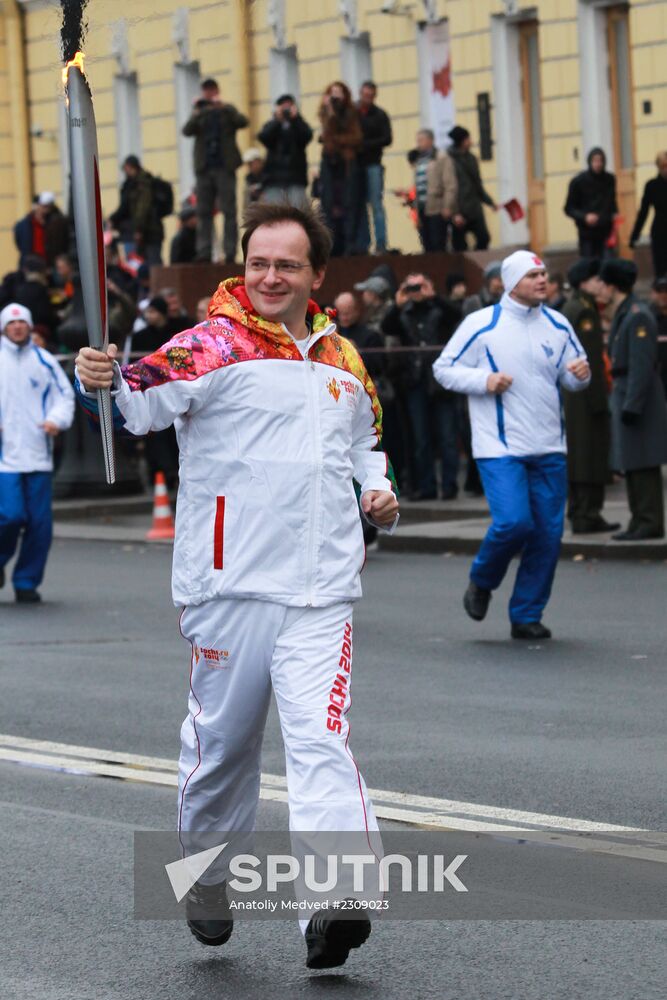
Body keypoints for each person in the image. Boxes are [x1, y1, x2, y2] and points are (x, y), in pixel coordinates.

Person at [74, 200, 398, 969]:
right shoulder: (208, 343)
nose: (270, 276)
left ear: (316, 275)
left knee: (322, 741)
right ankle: (208, 880)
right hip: (228, 588)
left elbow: (367, 445)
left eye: (287, 265)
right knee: (222, 753)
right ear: (243, 266)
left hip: (320, 592)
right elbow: (135, 405)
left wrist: (378, 491)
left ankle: (336, 899)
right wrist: (103, 378)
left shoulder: (341, 358)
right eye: (259, 262)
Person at [433, 250, 591, 640]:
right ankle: (482, 581)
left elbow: (574, 376)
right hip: (500, 445)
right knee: (514, 522)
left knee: (547, 536)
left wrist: (580, 375)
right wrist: (483, 381)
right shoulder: (481, 324)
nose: (542, 280)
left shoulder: (557, 323)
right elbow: (444, 368)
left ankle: (526, 614)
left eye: (544, 274)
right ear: (510, 282)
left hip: (549, 444)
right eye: (533, 275)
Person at [0, 304, 74, 602]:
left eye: (22, 323)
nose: (17, 328)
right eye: (12, 323)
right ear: (4, 328)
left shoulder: (44, 360)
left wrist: (56, 420)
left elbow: (64, 395)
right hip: (4, 459)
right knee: (9, 515)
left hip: (38, 454)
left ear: (29, 326)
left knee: (40, 524)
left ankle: (26, 581)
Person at [597, 259, 667, 540]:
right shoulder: (627, 312)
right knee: (633, 461)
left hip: (638, 399)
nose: (600, 288)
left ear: (613, 286)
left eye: (604, 283)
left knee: (643, 460)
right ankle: (640, 519)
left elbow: (641, 365)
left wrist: (632, 405)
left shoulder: (637, 315)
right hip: (627, 395)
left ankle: (649, 521)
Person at [382, 273, 462, 499]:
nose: (416, 291)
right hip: (415, 382)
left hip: (440, 381)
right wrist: (397, 306)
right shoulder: (403, 312)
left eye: (420, 286)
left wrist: (434, 296)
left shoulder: (439, 307)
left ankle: (449, 486)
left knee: (447, 436)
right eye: (411, 287)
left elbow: (456, 314)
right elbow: (387, 327)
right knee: (421, 438)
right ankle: (426, 486)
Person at [561, 258, 618, 534]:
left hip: (575, 395)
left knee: (581, 453)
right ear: (585, 282)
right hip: (585, 395)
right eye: (596, 279)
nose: (600, 283)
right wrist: (599, 399)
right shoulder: (584, 311)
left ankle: (581, 512)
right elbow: (590, 359)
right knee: (588, 454)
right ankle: (587, 513)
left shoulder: (575, 306)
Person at [182, 78, 249, 263]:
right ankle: (204, 251)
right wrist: (197, 112)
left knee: (229, 210)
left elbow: (243, 122)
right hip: (204, 169)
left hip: (224, 168)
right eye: (206, 90)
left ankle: (229, 252)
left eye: (212, 90)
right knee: (203, 211)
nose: (209, 94)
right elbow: (187, 131)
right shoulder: (200, 112)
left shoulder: (226, 111)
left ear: (217, 91)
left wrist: (224, 107)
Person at [318, 81, 364, 257]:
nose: (336, 98)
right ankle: (332, 245)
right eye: (332, 94)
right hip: (329, 164)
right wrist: (329, 112)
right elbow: (327, 136)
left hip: (346, 164)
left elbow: (355, 137)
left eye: (339, 94)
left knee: (349, 204)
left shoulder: (351, 113)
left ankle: (349, 244)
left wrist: (335, 139)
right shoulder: (325, 113)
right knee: (328, 204)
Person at [405, 130, 457, 252]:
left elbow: (450, 184)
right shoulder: (419, 160)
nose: (418, 144)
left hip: (437, 207)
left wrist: (448, 206)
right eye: (417, 141)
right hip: (422, 207)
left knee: (438, 243)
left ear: (430, 141)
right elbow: (418, 184)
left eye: (421, 140)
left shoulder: (441, 158)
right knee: (426, 243)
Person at [356, 81, 392, 254]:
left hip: (373, 164)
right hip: (356, 165)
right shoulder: (353, 113)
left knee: (376, 203)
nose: (367, 98)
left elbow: (387, 138)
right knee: (360, 204)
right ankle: (364, 242)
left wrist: (365, 144)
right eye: (365, 95)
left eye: (370, 95)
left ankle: (381, 242)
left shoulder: (380, 115)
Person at [447, 126, 497, 251]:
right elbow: (448, 188)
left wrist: (489, 202)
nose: (470, 141)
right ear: (461, 141)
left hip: (474, 207)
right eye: (467, 139)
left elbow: (477, 184)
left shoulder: (472, 158)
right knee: (459, 245)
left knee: (484, 238)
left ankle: (476, 264)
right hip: (459, 208)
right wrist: (454, 213)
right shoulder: (448, 161)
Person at [257, 94, 312, 207]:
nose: (286, 110)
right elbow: (263, 137)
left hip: (296, 178)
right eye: (283, 107)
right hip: (273, 179)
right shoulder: (272, 124)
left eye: (289, 106)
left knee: (298, 215)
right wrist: (278, 120)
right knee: (274, 216)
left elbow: (307, 136)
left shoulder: (299, 124)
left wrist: (296, 119)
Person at [109, 155, 165, 266]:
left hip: (147, 231)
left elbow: (142, 208)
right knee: (143, 263)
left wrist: (138, 229)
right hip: (146, 231)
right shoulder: (135, 183)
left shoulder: (142, 183)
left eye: (126, 168)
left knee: (149, 264)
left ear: (131, 167)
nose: (125, 172)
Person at [564, 148, 618, 258]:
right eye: (595, 161)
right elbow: (569, 208)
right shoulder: (578, 182)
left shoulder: (609, 180)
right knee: (589, 266)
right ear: (590, 162)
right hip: (586, 233)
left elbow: (611, 204)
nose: (598, 164)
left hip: (605, 230)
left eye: (600, 161)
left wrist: (611, 218)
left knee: (607, 265)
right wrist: (585, 217)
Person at [629, 151, 667, 278]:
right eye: (664, 166)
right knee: (661, 269)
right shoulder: (652, 186)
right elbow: (644, 212)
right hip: (660, 231)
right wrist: (635, 235)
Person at [14, 192, 69, 268]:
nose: (43, 209)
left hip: (51, 266)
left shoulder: (56, 222)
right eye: (43, 206)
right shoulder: (23, 225)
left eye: (47, 206)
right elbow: (20, 244)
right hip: (31, 267)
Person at [649, 275, 667, 398]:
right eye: (659, 291)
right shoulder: (647, 318)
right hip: (658, 379)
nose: (663, 295)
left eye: (666, 291)